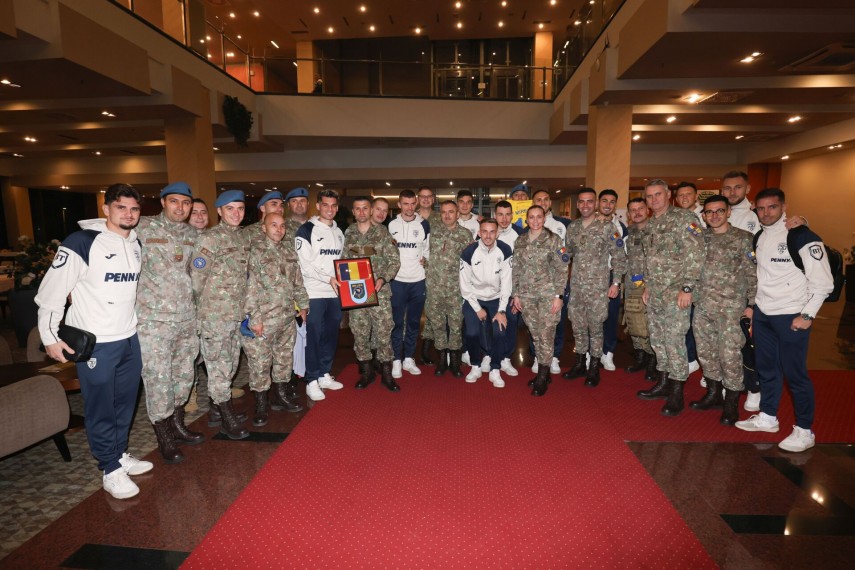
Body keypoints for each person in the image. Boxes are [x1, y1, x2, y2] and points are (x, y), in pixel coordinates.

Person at [36, 182, 152, 500]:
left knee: (124, 402)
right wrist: (49, 337)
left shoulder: (135, 242)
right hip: (96, 342)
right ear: (106, 209)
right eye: (121, 207)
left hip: (129, 337)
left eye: (134, 208)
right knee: (101, 406)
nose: (128, 214)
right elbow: (51, 293)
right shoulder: (82, 241)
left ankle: (119, 454)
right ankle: (109, 468)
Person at [736, 188, 834, 452]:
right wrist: (755, 309)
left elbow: (824, 283)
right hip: (765, 314)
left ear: (784, 207)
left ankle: (805, 430)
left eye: (772, 207)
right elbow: (763, 278)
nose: (766, 213)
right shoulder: (759, 236)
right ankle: (768, 417)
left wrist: (807, 314)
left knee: (795, 374)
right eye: (761, 208)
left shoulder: (801, 235)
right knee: (767, 369)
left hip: (792, 316)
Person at [135, 181, 204, 464]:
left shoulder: (193, 234)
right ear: (163, 202)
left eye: (186, 203)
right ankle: (163, 436)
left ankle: (177, 424)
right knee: (158, 379)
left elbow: (197, 272)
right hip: (154, 321)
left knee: (185, 375)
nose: (181, 207)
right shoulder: (142, 227)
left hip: (187, 318)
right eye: (174, 201)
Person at [637, 179, 704, 416]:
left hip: (677, 294)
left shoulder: (685, 220)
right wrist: (647, 286)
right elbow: (650, 259)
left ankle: (677, 392)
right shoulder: (651, 224)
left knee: (675, 341)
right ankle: (664, 382)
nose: (653, 200)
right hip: (655, 293)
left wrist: (687, 288)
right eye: (649, 196)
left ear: (668, 194)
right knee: (658, 340)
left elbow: (695, 256)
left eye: (658, 195)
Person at [690, 195, 757, 425]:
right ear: (704, 215)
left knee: (730, 357)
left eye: (719, 211)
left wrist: (752, 305)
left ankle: (731, 404)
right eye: (709, 212)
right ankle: (713, 393)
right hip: (703, 307)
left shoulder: (743, 239)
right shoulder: (700, 238)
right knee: (706, 354)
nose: (714, 216)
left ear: (729, 211)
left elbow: (752, 274)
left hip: (731, 309)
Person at [191, 190, 250, 439]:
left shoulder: (243, 238)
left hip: (236, 315)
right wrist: (205, 311)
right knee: (219, 368)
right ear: (219, 211)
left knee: (232, 364)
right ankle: (226, 418)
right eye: (230, 209)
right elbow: (196, 279)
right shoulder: (209, 239)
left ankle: (217, 410)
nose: (236, 213)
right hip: (215, 315)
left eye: (240, 208)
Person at [243, 213, 308, 425]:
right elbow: (249, 289)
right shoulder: (254, 253)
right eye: (273, 225)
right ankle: (261, 405)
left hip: (286, 317)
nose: (279, 229)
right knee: (260, 364)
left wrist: (303, 305)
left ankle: (280, 396)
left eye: (282, 226)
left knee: (283, 359)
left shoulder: (289, 252)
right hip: (264, 319)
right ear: (263, 228)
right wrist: (255, 318)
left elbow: (298, 281)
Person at [562, 188, 627, 387]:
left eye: (589, 201)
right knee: (578, 327)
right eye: (581, 202)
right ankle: (580, 362)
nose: (585, 205)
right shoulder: (573, 228)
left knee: (596, 328)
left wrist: (615, 283)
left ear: (596, 203)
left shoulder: (608, 228)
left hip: (598, 288)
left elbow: (619, 257)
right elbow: (567, 254)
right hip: (577, 288)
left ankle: (594, 367)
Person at [342, 197, 401, 391]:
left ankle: (386, 374)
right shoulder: (349, 233)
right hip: (356, 293)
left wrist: (383, 279)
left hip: (379, 292)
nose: (361, 212)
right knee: (360, 333)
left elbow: (394, 262)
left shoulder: (382, 233)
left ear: (370, 211)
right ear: (353, 211)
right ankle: (366, 372)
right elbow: (343, 260)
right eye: (357, 209)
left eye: (364, 208)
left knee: (384, 333)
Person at [511, 205, 567, 396]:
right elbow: (516, 269)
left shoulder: (554, 240)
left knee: (546, 334)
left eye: (539, 217)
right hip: (527, 296)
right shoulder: (520, 240)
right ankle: (544, 370)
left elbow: (562, 270)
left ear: (544, 218)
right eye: (532, 217)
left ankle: (543, 376)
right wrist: (516, 294)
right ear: (527, 220)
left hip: (547, 295)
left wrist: (559, 296)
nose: (535, 221)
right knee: (535, 334)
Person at [295, 189, 346, 401]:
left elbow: (339, 264)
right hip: (313, 292)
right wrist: (328, 279)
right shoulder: (306, 230)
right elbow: (305, 265)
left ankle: (324, 373)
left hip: (335, 293)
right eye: (326, 205)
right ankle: (311, 379)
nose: (330, 209)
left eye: (334, 205)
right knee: (313, 337)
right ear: (318, 205)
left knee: (330, 335)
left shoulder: (339, 231)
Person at [460, 219, 513, 387]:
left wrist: (502, 310)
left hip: (496, 299)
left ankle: (495, 368)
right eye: (484, 231)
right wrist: (477, 309)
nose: (488, 235)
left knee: (500, 332)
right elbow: (464, 285)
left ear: (497, 233)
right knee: (472, 333)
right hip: (473, 298)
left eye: (492, 232)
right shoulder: (469, 251)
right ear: (479, 233)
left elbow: (506, 284)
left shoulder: (504, 250)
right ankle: (475, 365)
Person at [425, 200, 473, 377]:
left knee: (455, 326)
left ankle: (455, 362)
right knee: (438, 326)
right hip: (434, 289)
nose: (447, 215)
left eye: (451, 212)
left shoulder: (466, 235)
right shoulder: (433, 231)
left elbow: (470, 264)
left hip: (455, 290)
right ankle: (441, 360)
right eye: (443, 212)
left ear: (457, 214)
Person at [388, 189, 430, 378]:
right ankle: (397, 358)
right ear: (399, 205)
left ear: (417, 204)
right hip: (397, 281)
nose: (409, 207)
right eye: (405, 203)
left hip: (417, 281)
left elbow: (428, 249)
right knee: (397, 322)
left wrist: (426, 259)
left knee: (413, 322)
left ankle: (409, 358)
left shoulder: (424, 224)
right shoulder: (390, 225)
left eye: (413, 203)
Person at [529, 189, 570, 375]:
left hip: (551, 290)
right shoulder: (523, 237)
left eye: (546, 199)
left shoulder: (560, 230)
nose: (543, 202)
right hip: (530, 293)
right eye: (539, 200)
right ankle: (538, 357)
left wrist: (559, 294)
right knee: (534, 328)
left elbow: (563, 265)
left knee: (554, 326)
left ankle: (553, 358)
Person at [621, 198, 656, 378]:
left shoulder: (657, 230)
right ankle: (640, 357)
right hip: (631, 284)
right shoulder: (628, 233)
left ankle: (652, 360)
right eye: (633, 210)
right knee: (634, 321)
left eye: (640, 208)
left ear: (647, 210)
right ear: (628, 214)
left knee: (649, 323)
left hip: (652, 285)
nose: (637, 213)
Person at [596, 189, 628, 372]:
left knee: (610, 316)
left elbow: (621, 257)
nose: (607, 205)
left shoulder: (620, 228)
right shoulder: (589, 224)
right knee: (590, 318)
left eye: (611, 202)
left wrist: (616, 282)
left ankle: (608, 352)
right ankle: (591, 352)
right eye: (604, 201)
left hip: (611, 276)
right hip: (591, 277)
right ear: (598, 203)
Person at [673, 182, 703, 378]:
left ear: (696, 196)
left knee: (696, 326)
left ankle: (699, 364)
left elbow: (697, 254)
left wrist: (688, 286)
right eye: (680, 195)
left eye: (688, 194)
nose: (684, 198)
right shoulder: (675, 218)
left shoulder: (705, 216)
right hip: (678, 282)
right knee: (684, 324)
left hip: (697, 283)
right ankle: (690, 359)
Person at [493, 200, 523, 377]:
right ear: (495, 215)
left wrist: (518, 292)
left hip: (512, 289)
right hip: (490, 289)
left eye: (507, 214)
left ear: (512, 215)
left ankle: (505, 357)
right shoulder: (487, 232)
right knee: (491, 324)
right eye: (500, 214)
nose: (504, 219)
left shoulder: (521, 235)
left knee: (510, 323)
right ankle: (490, 355)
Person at [285, 187, 310, 380]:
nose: (299, 204)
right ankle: (292, 376)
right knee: (293, 335)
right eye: (295, 201)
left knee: (314, 331)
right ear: (289, 205)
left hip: (316, 287)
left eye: (302, 200)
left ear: (308, 204)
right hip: (293, 288)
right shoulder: (281, 228)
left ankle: (313, 369)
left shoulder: (316, 226)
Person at [416, 185, 442, 364]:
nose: (425, 199)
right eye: (422, 197)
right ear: (418, 199)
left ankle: (426, 349)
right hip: (412, 271)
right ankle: (406, 351)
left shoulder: (441, 219)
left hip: (435, 271)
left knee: (433, 310)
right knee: (410, 312)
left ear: (433, 199)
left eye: (429, 197)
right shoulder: (409, 217)